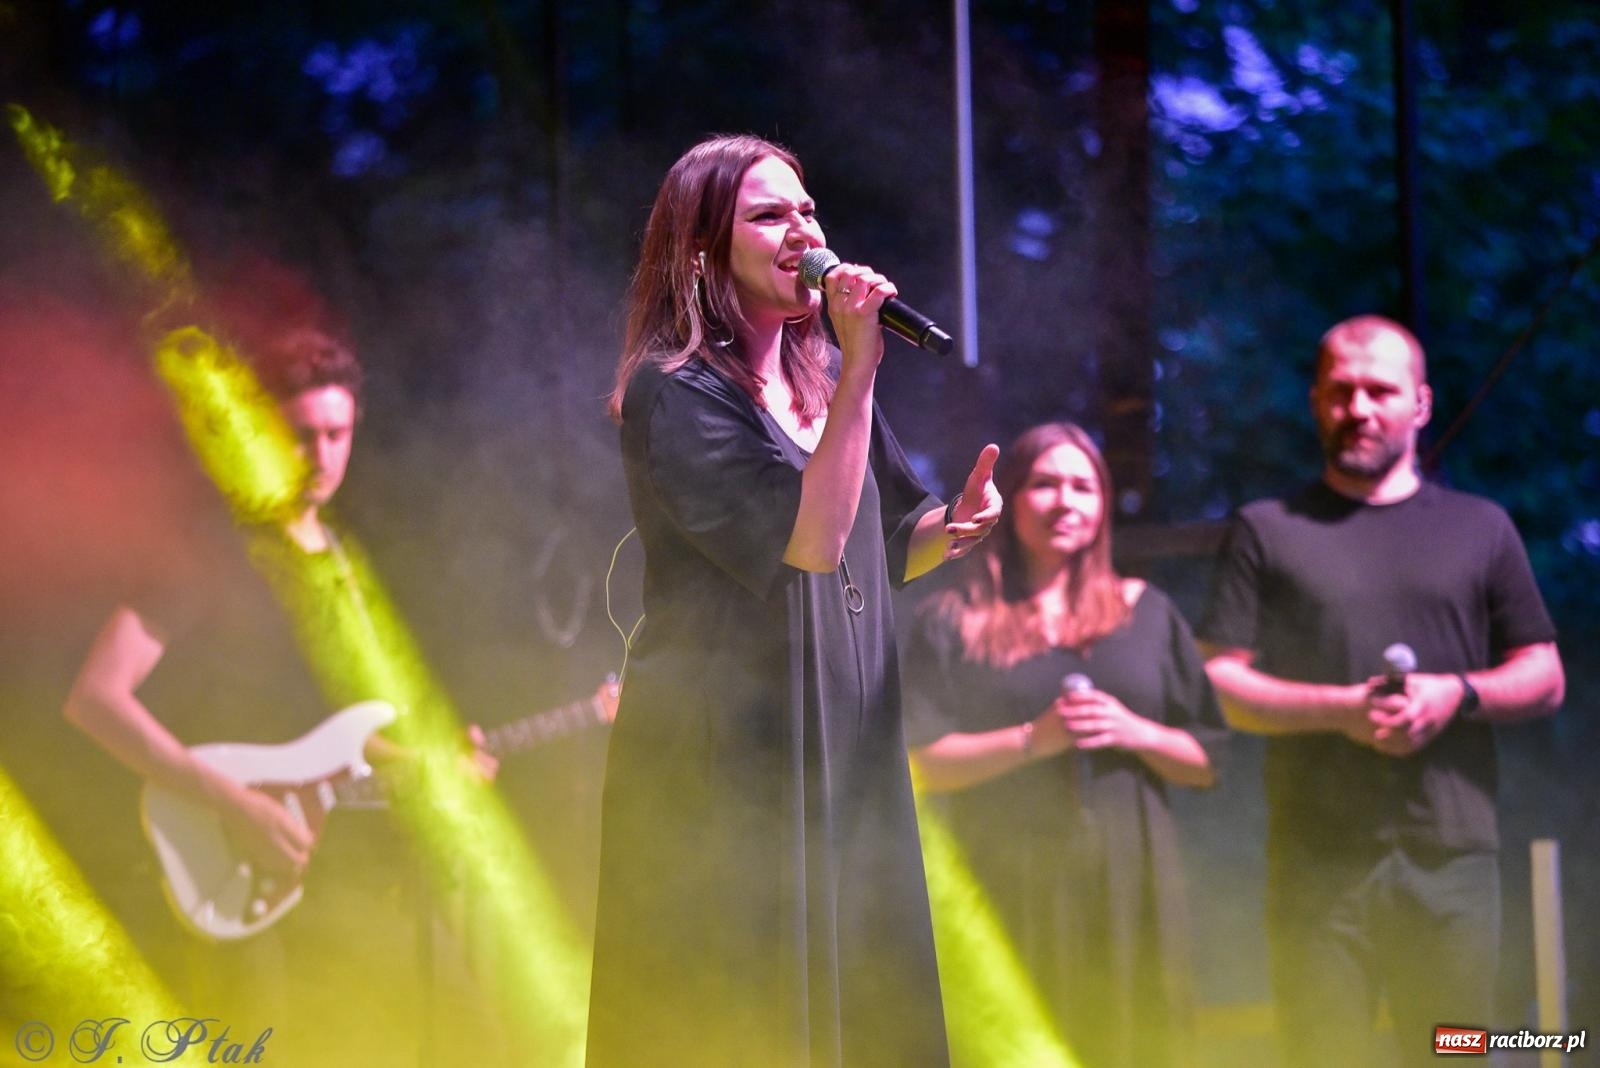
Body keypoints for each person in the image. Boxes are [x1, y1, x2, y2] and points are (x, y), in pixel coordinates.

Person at [586, 134, 1001, 1066]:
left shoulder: (818, 379)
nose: (803, 231)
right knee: (746, 1017)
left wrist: (957, 527)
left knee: (864, 1004)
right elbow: (809, 541)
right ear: (702, 252)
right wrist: (862, 366)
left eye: (806, 211)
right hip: (730, 761)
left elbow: (886, 542)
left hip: (844, 745)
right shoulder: (676, 391)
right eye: (770, 215)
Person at [62, 322, 494, 1064]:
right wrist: (237, 802)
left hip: (337, 871)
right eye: (301, 434)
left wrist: (425, 762)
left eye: (337, 434)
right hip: (230, 866)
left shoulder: (344, 561)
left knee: (456, 1029)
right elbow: (96, 698)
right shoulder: (211, 549)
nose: (321, 456)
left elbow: (334, 736)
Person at [1198, 315, 1565, 1067]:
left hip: (1451, 862)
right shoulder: (1267, 528)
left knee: (1456, 1053)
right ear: (1315, 401)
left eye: (1379, 391)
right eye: (1341, 391)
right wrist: (1342, 710)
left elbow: (1544, 674)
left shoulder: (1480, 527)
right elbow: (1219, 681)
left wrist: (1451, 696)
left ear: (1421, 404)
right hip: (1314, 863)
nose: (1359, 408)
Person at [904, 421, 1223, 1068]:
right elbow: (916, 765)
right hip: (1006, 879)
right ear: (1012, 498)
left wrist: (1131, 731)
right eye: (1045, 484)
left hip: (1127, 883)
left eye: (1082, 486)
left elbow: (1207, 760)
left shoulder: (1146, 611)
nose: (1064, 502)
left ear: (1103, 505)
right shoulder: (952, 620)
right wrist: (1031, 739)